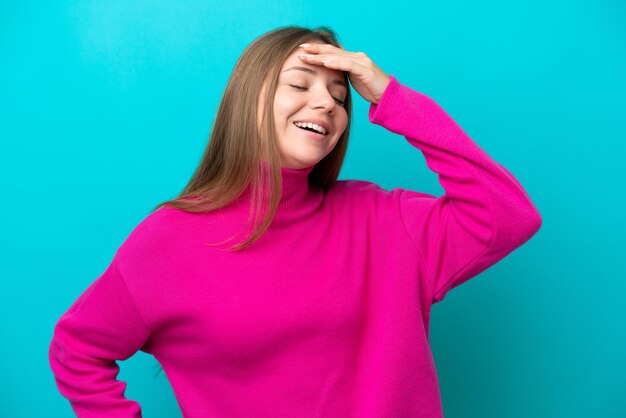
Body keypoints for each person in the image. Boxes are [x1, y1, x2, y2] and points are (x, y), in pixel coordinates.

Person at [48, 25, 542, 417]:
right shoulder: (169, 239)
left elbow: (507, 214)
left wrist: (390, 96)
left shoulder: (384, 220)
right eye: (300, 84)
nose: (327, 102)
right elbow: (78, 348)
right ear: (249, 101)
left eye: (340, 95)